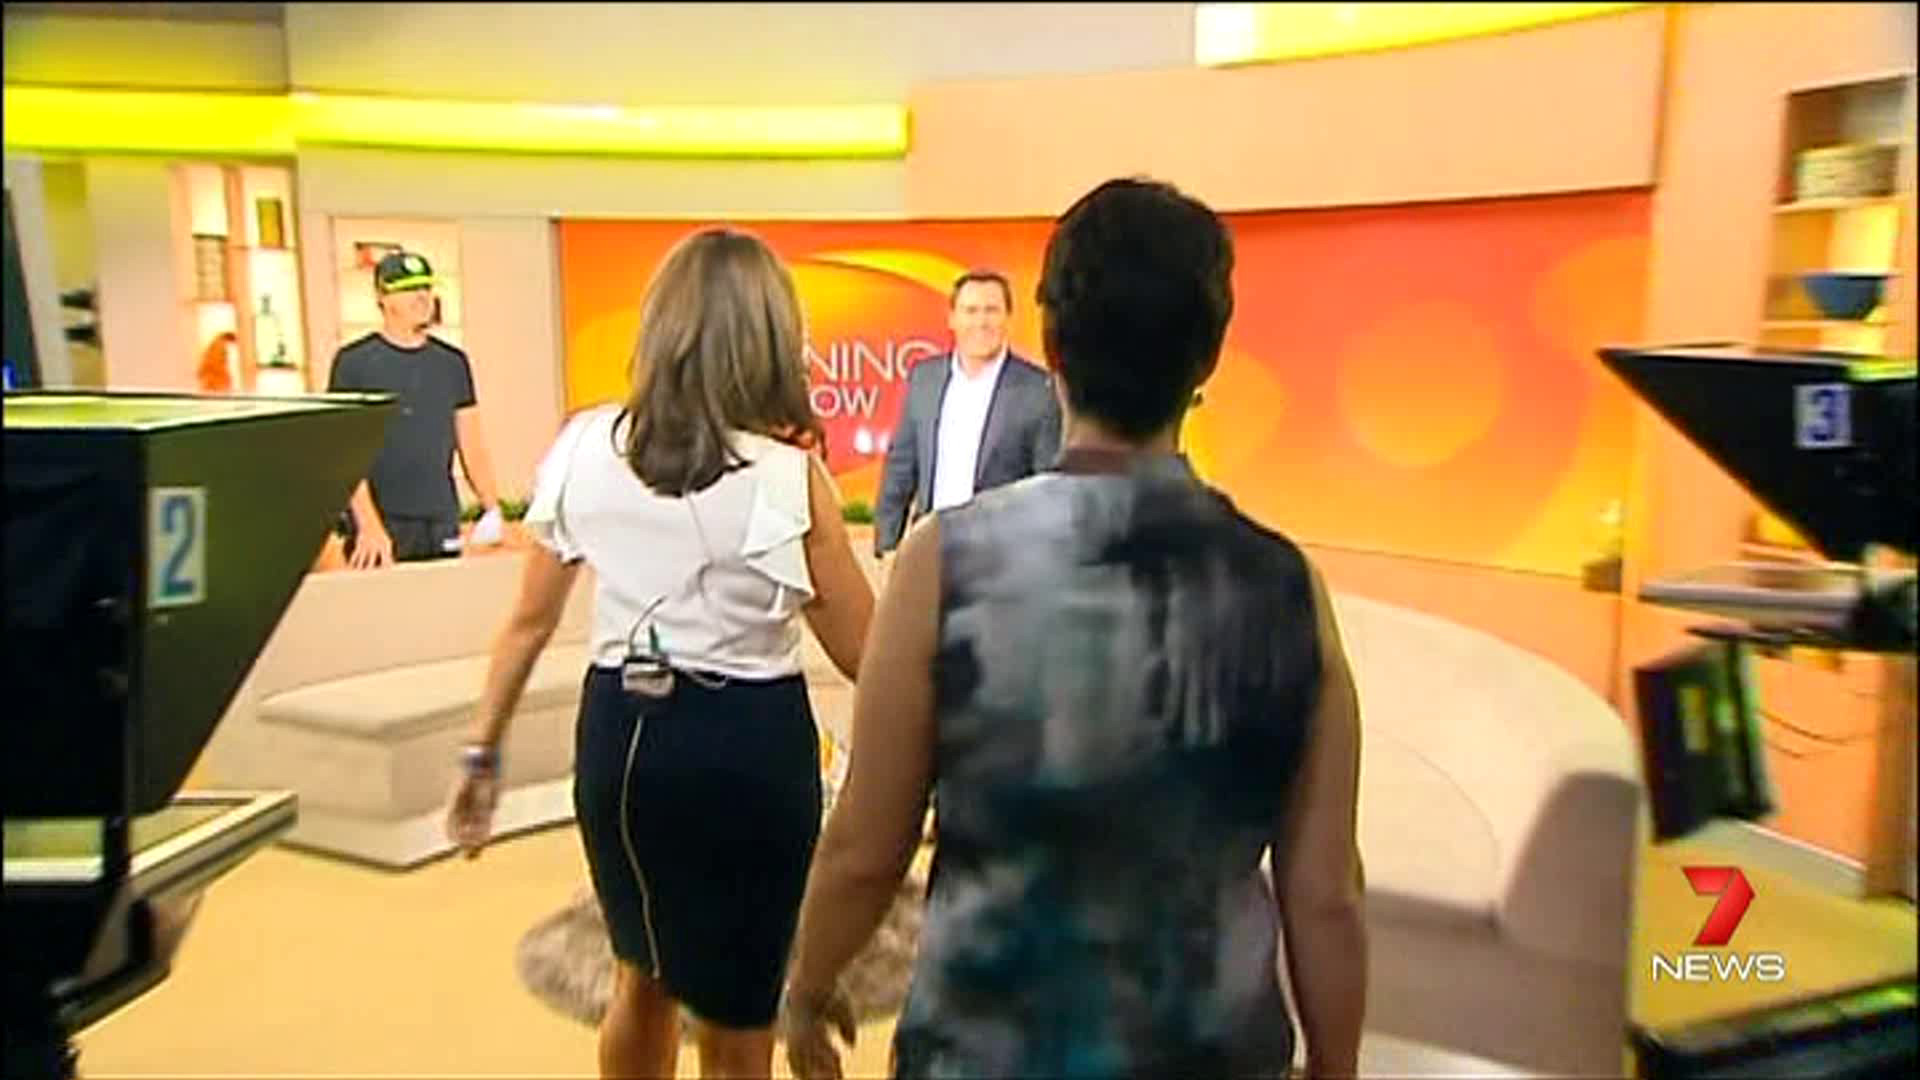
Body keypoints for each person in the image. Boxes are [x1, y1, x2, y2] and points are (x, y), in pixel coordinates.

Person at [780, 178, 1368, 1079]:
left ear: (1050, 343)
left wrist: (810, 984)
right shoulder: (1287, 586)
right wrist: (1336, 1063)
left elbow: (867, 844)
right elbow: (1324, 892)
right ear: (1208, 357)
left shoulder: (945, 562)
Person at [443, 227, 875, 1080]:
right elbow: (868, 652)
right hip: (749, 751)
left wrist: (479, 752)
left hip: (623, 747)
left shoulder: (584, 446)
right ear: (768, 340)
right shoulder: (787, 478)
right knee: (739, 1010)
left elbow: (528, 623)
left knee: (639, 975)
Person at [327, 251, 504, 568]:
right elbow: (344, 453)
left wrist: (493, 509)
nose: (421, 297)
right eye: (409, 289)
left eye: (425, 287)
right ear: (382, 297)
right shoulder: (354, 363)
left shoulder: (452, 363)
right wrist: (368, 525)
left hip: (440, 519)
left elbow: (472, 445)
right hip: (384, 523)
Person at [871, 268, 1061, 560]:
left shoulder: (1039, 390)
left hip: (1004, 559)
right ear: (952, 318)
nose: (981, 322)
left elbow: (1048, 487)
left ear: (1008, 317)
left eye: (991, 310)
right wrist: (887, 546)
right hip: (932, 553)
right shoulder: (924, 379)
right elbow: (900, 468)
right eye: (970, 311)